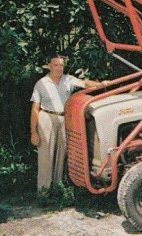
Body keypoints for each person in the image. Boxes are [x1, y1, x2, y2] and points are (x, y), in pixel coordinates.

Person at [30, 55, 104, 193]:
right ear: (49, 66)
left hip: (64, 118)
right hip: (46, 117)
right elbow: (35, 108)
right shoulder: (41, 83)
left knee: (62, 154)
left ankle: (58, 190)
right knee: (46, 156)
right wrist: (33, 132)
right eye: (56, 65)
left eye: (61, 65)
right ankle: (44, 192)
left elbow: (84, 83)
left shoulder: (68, 79)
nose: (59, 68)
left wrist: (100, 84)